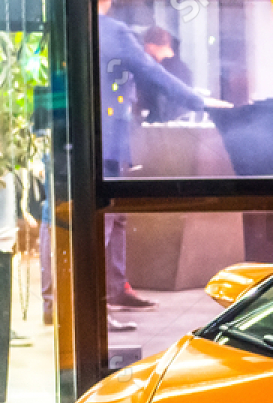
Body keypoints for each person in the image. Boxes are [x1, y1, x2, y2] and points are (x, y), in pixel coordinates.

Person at [97, 0, 227, 323]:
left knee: (116, 216)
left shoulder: (85, 33)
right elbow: (152, 72)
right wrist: (200, 102)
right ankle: (96, 303)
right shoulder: (111, 31)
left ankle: (114, 289)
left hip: (100, 141)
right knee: (103, 222)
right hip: (105, 142)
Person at [135, 26, 197, 123]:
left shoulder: (159, 72)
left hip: (161, 128)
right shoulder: (184, 69)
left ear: (150, 46)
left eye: (145, 48)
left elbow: (161, 109)